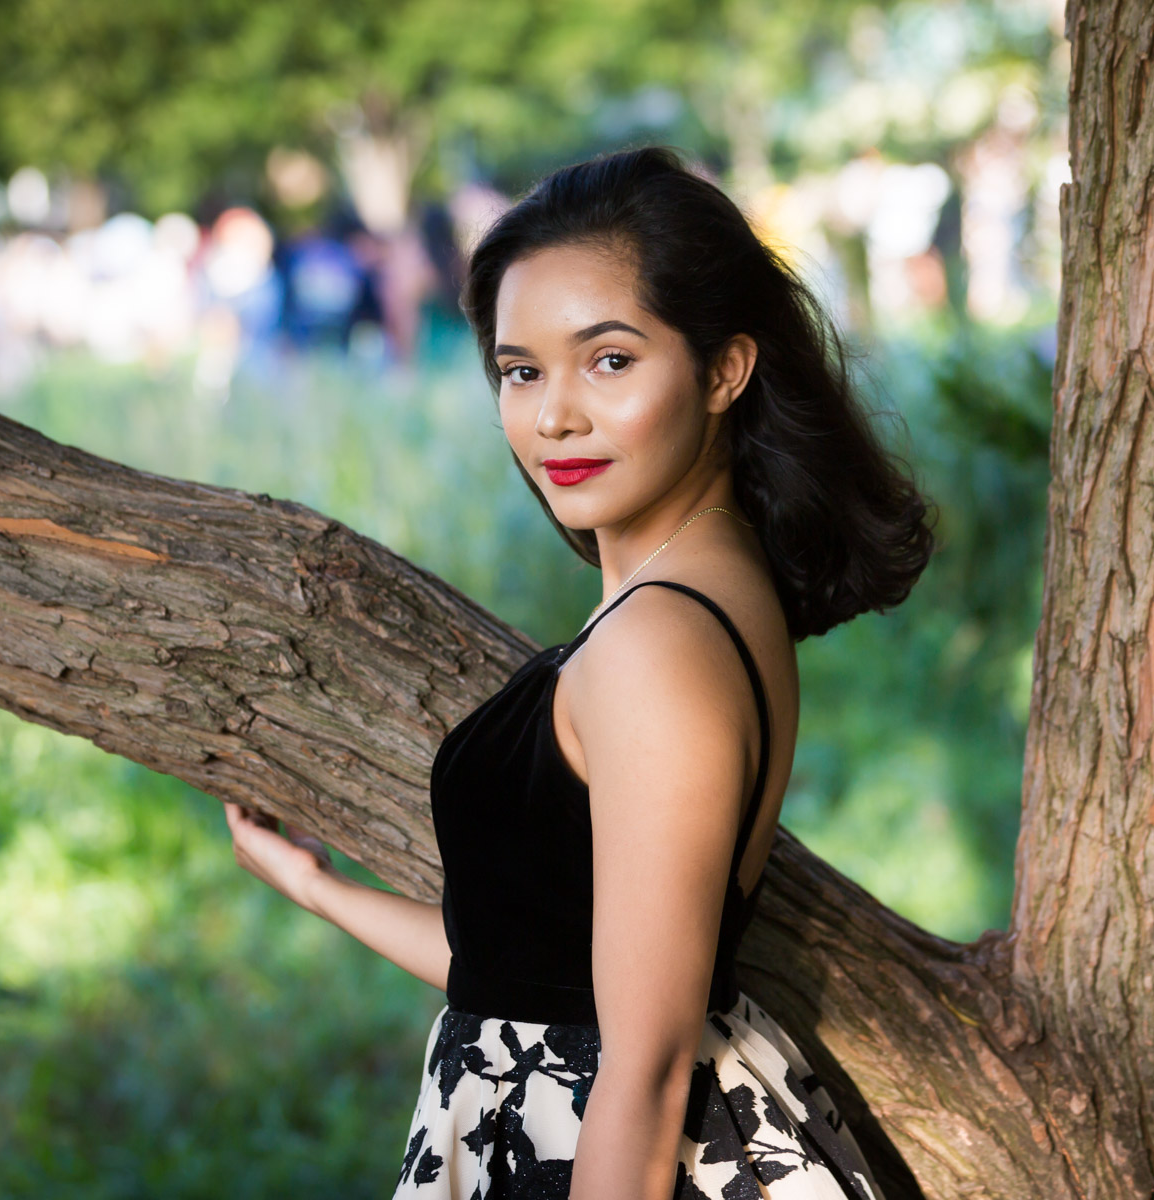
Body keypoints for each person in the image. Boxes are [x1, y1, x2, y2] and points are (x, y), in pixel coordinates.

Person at [221, 146, 936, 1199]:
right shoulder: (689, 593)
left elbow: (641, 1073)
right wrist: (322, 892)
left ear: (724, 370)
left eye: (609, 361)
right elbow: (544, 977)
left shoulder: (659, 644)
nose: (554, 416)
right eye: (522, 370)